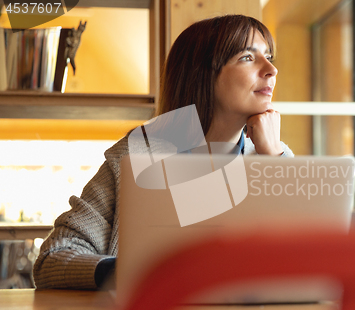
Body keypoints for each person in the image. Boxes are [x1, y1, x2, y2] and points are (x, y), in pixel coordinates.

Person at [33, 14, 294, 290]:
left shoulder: (274, 155)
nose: (271, 70)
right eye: (247, 58)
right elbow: (52, 259)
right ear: (202, 74)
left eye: (269, 57)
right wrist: (139, 272)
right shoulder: (134, 158)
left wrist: (273, 161)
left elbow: (305, 258)